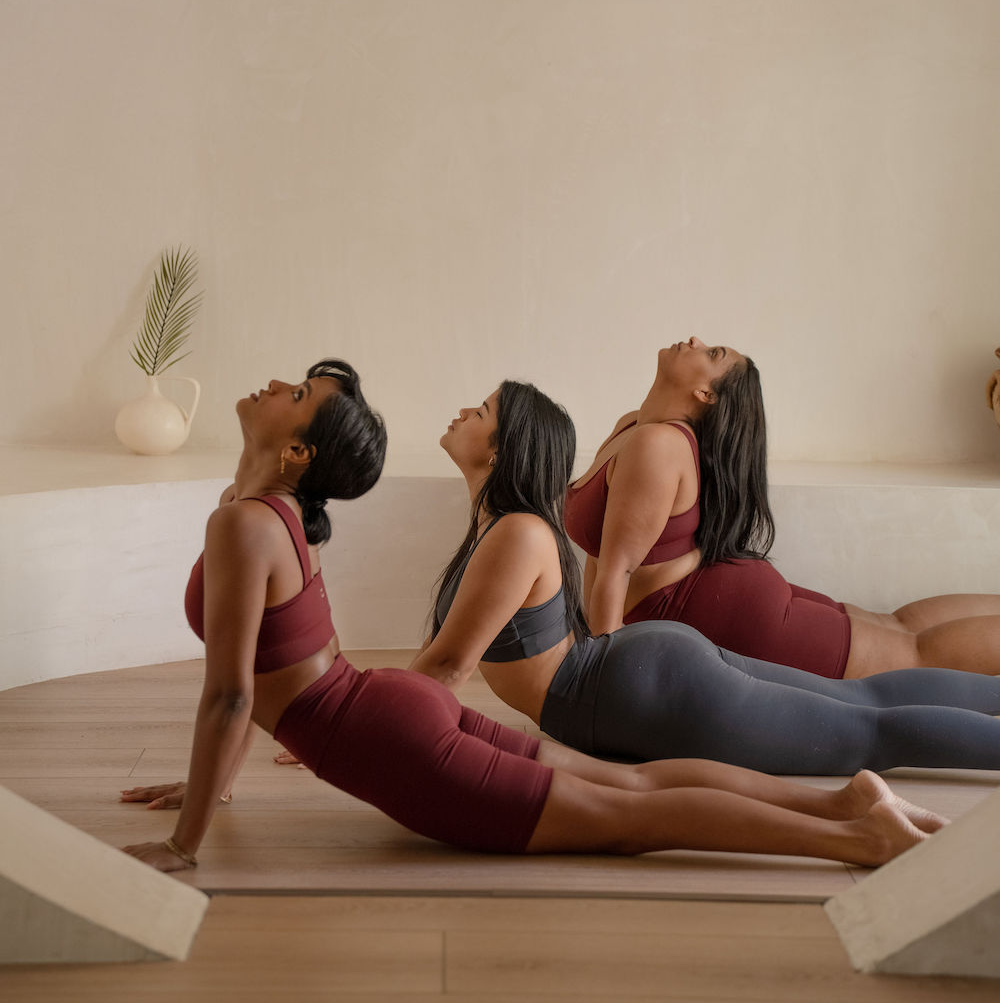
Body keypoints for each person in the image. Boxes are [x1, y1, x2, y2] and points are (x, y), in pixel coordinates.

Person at [120, 359, 944, 872]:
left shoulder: (248, 521)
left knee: (630, 816)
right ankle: (841, 804)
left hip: (392, 729)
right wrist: (209, 785)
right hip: (389, 713)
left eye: (296, 392)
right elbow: (289, 667)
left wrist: (185, 844)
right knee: (632, 788)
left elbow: (236, 695)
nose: (273, 385)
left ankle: (856, 836)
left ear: (298, 452)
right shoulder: (275, 518)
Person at [414, 379, 1000, 776]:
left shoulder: (517, 533)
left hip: (636, 683)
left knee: (867, 733)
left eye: (481, 412)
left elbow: (446, 668)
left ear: (499, 453)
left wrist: (347, 723)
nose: (464, 412)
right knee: (866, 707)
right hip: (638, 673)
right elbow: (441, 660)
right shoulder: (499, 531)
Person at [567, 337, 1000, 678]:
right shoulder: (633, 426)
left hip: (726, 609)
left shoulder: (656, 444)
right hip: (724, 596)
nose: (695, 339)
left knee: (912, 654)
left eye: (711, 352)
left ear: (706, 392)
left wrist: (599, 673)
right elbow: (605, 551)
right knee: (898, 626)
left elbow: (617, 570)